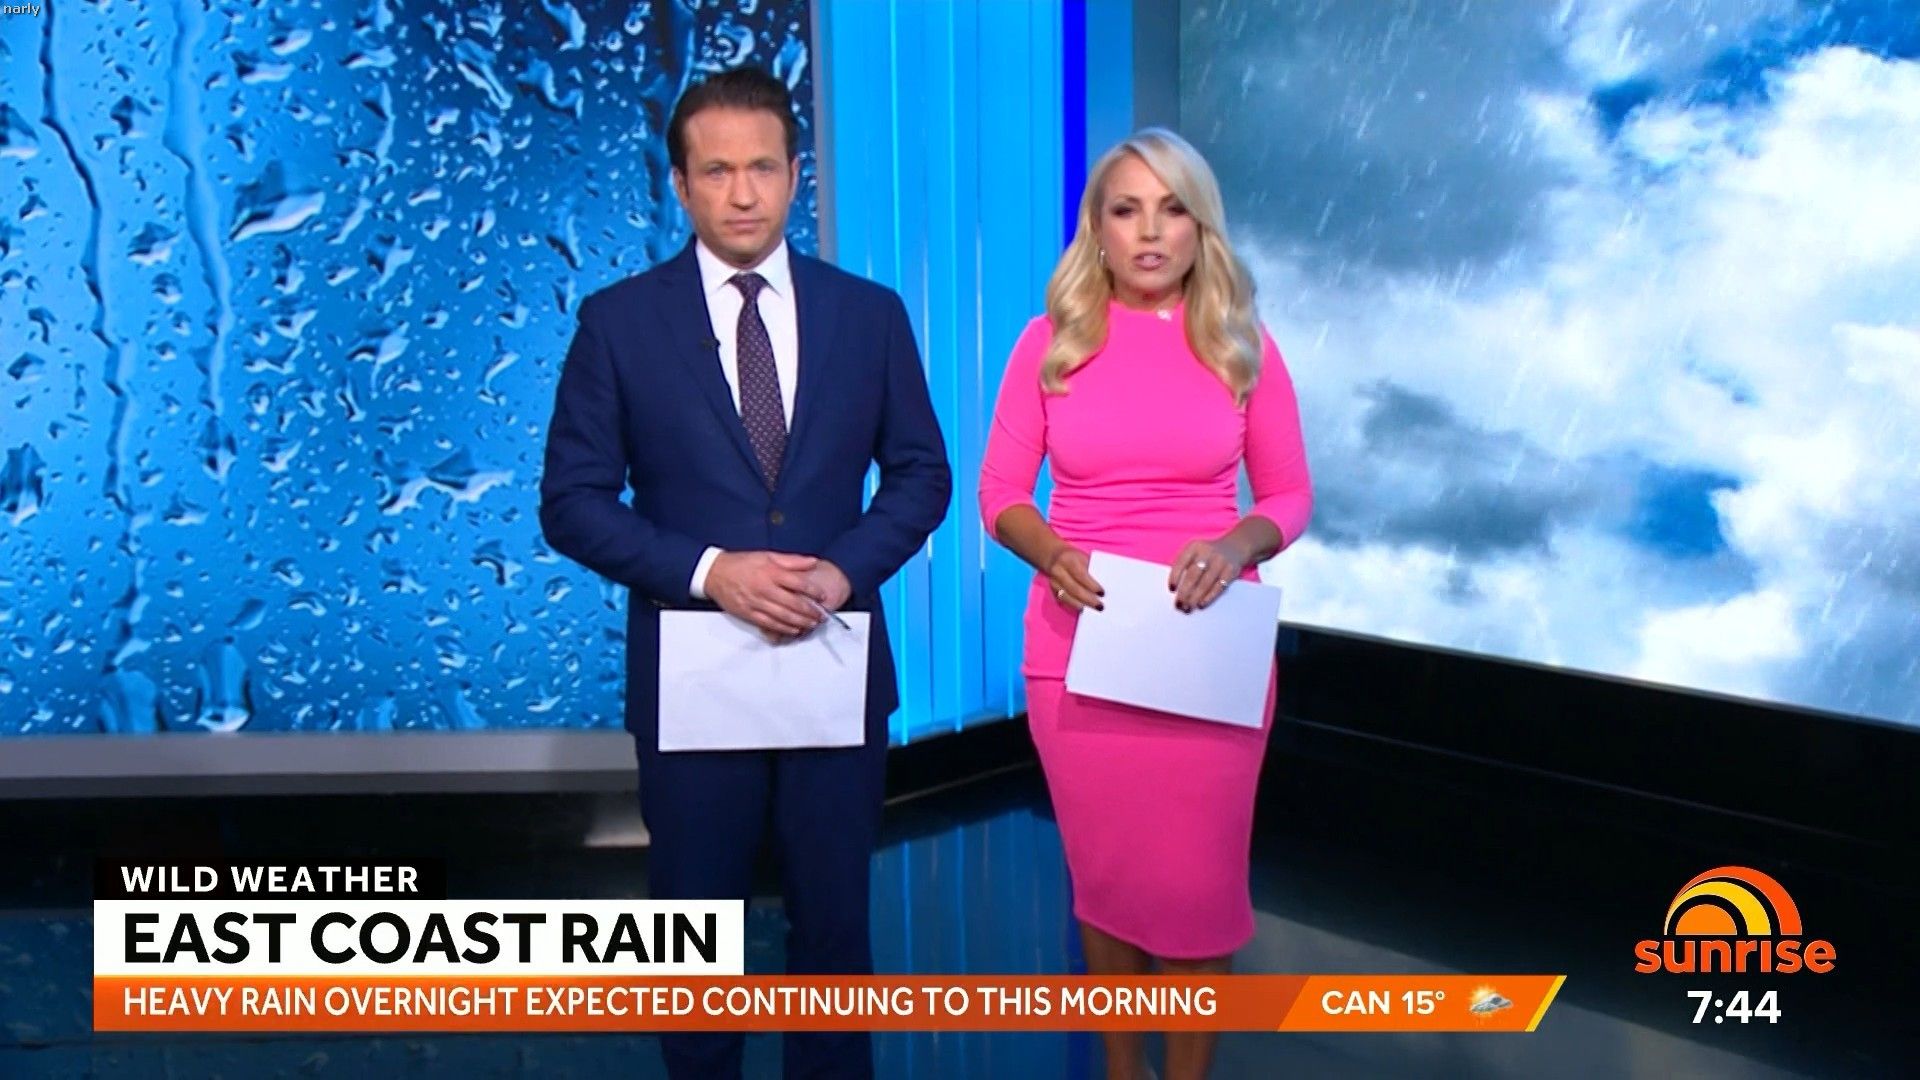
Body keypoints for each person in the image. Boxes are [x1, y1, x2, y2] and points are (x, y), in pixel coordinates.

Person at [539, 67, 951, 1080]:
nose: (742, 193)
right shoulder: (618, 323)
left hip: (832, 671)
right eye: (716, 171)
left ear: (795, 174)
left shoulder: (870, 315)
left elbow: (921, 474)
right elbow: (573, 502)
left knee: (835, 938)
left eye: (762, 167)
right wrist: (711, 571)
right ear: (680, 184)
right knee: (695, 942)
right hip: (695, 688)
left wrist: (841, 572)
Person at [978, 128, 1313, 1080]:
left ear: (1201, 227)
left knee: (1200, 891)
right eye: (1127, 210)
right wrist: (1051, 551)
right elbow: (1000, 492)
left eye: (1172, 210)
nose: (1151, 231)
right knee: (1108, 884)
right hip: (1078, 649)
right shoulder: (1049, 345)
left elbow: (1289, 494)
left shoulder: (1242, 347)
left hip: (1208, 654)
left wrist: (1236, 545)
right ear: (1099, 229)